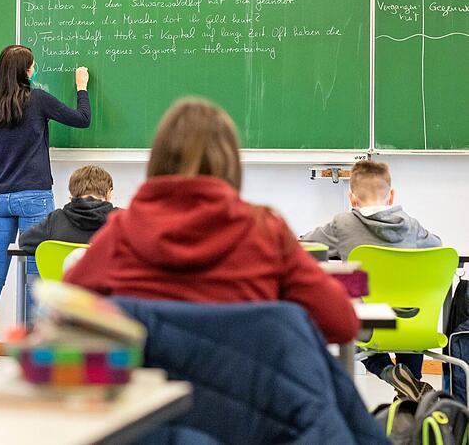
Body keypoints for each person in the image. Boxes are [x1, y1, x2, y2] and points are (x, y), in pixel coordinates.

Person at [63, 97, 359, 344]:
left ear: (158, 161)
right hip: (249, 408)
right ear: (230, 162)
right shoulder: (265, 231)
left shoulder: (121, 234)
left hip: (153, 408)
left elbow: (66, 317)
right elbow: (341, 323)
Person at [0, 45, 91, 370]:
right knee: (38, 277)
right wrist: (81, 88)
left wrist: (5, 145)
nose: (35, 69)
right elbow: (82, 120)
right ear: (26, 71)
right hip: (34, 196)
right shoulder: (37, 99)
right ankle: (37, 354)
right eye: (33, 66)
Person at [302, 160, 441, 399]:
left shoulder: (342, 225)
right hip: (415, 325)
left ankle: (390, 372)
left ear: (352, 198)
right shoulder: (411, 225)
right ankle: (411, 386)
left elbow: (304, 245)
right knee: (403, 314)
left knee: (354, 320)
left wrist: (340, 249)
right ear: (391, 195)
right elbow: (437, 246)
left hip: (367, 326)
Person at [18, 165, 115, 254]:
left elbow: (24, 241)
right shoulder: (122, 220)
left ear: (72, 196)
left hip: (65, 273)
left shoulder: (56, 219)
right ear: (109, 194)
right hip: (108, 273)